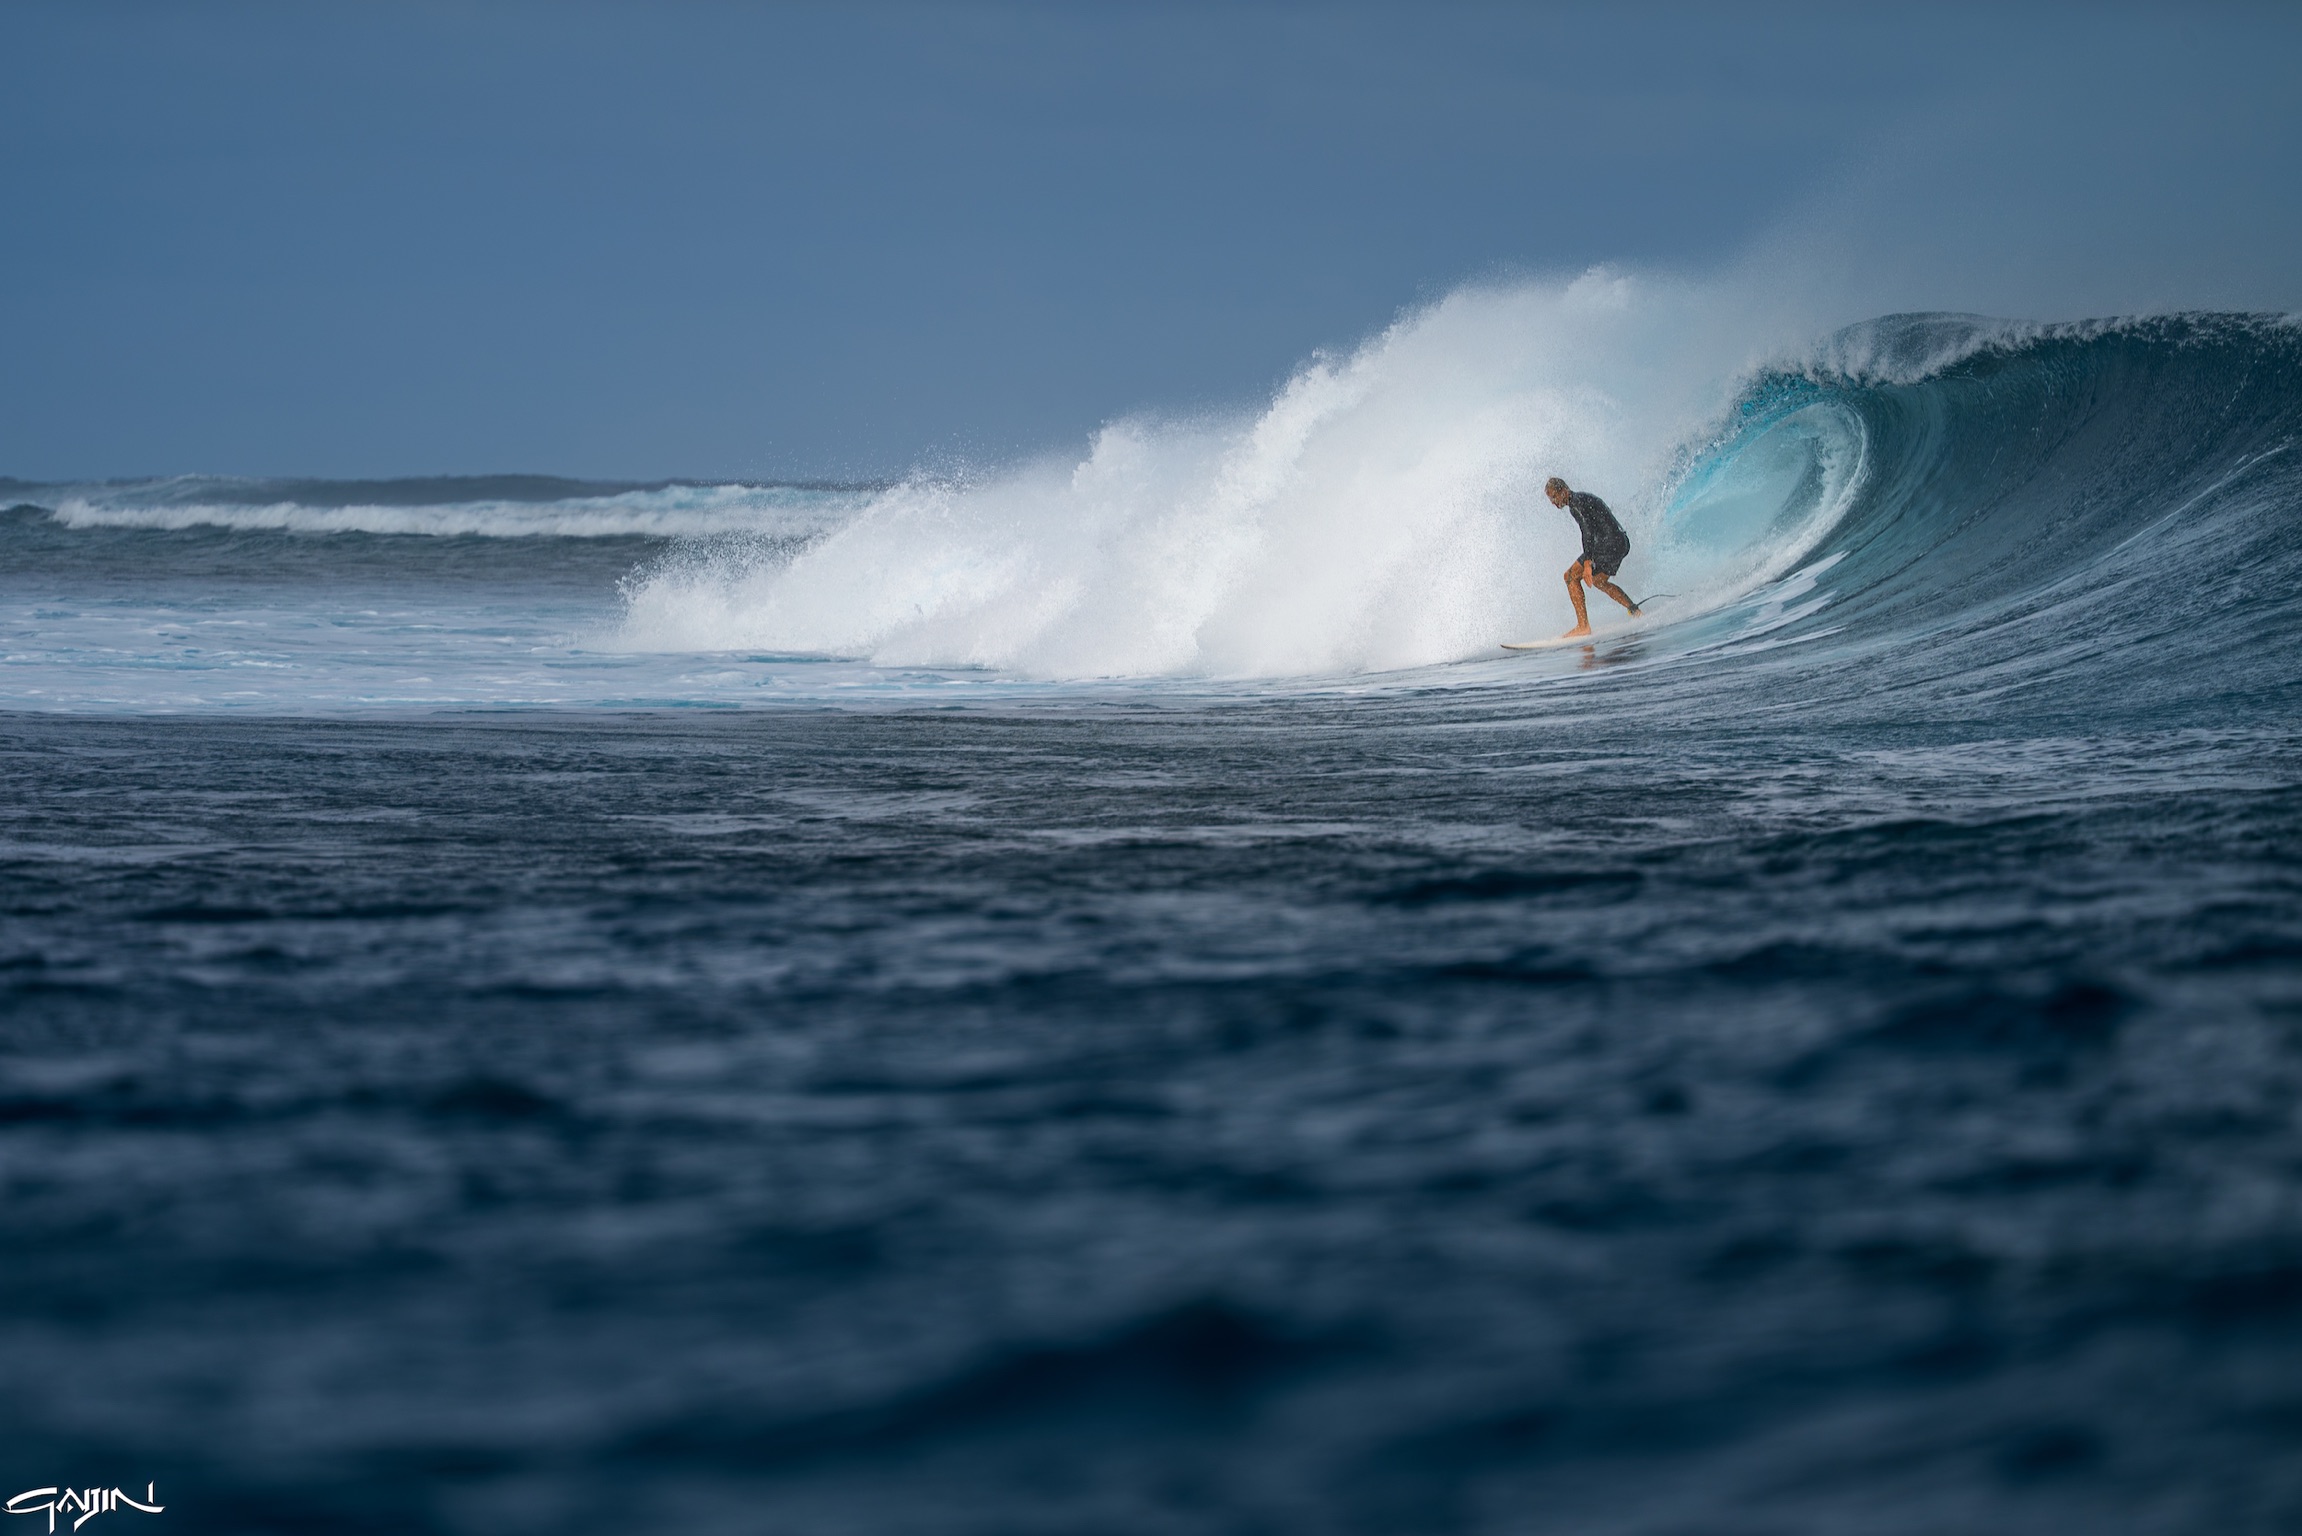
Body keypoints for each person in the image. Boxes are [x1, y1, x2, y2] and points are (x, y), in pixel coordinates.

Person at [1544, 476, 1639, 637]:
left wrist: (1587, 562)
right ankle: (1635, 611)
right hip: (1621, 542)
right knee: (1599, 581)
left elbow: (1587, 531)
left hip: (1609, 544)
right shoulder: (1582, 498)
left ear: (1563, 491)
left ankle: (1583, 626)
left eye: (1554, 497)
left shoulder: (1576, 504)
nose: (1553, 503)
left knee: (1569, 577)